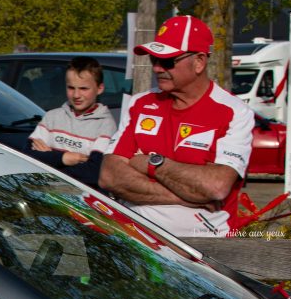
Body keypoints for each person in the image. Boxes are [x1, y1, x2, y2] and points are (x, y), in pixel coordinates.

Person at [99, 15, 254, 237]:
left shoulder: (234, 111)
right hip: (137, 238)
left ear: (199, 62)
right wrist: (184, 196)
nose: (158, 68)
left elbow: (215, 187)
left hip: (205, 245)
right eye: (154, 59)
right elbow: (110, 176)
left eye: (168, 61)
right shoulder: (141, 103)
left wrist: (152, 164)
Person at [28, 56, 117, 189]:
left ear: (100, 88)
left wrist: (48, 158)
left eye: (83, 88)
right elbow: (27, 157)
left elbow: (93, 173)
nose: (76, 95)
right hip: (45, 192)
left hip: (80, 198)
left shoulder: (106, 124)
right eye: (71, 87)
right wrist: (64, 158)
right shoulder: (52, 116)